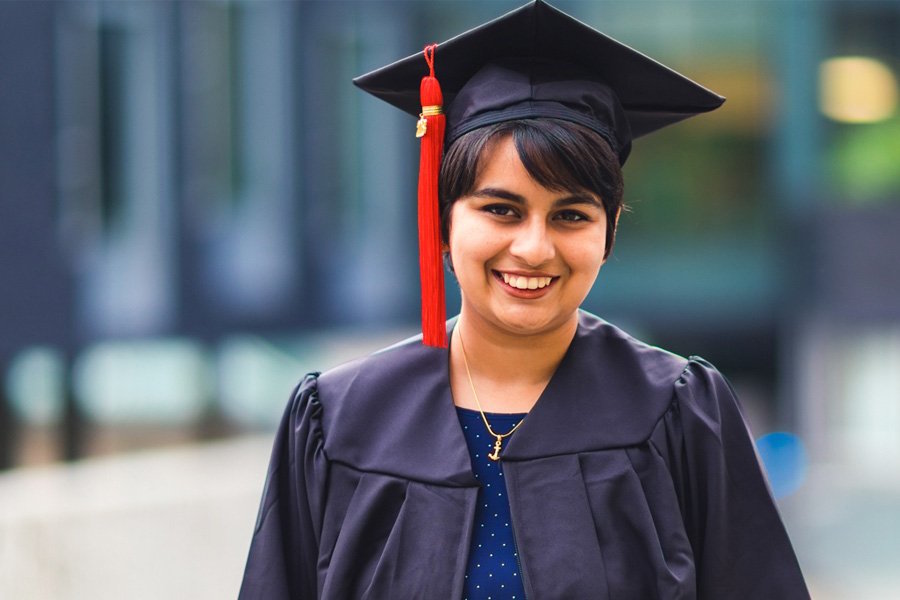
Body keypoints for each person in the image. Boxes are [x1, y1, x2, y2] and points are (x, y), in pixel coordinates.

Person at [238, 1, 810, 598]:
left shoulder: (676, 410)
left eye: (570, 215)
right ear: (442, 221)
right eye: (500, 210)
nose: (534, 248)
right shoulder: (340, 420)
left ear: (609, 231)